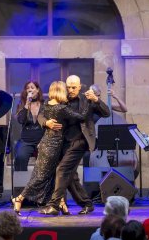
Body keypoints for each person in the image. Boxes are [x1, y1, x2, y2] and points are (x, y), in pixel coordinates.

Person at [12, 81, 89, 215]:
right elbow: (81, 116)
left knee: (53, 176)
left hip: (46, 143)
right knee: (40, 177)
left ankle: (62, 204)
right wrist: (87, 102)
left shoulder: (47, 105)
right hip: (53, 146)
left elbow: (41, 115)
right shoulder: (61, 108)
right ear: (61, 91)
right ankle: (19, 198)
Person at [39, 75, 110, 215]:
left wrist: (96, 100)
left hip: (80, 141)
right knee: (71, 177)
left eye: (73, 87)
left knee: (62, 169)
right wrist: (46, 123)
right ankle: (87, 204)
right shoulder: (61, 98)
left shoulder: (87, 99)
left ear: (79, 87)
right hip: (61, 142)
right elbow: (42, 112)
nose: (70, 90)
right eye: (68, 87)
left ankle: (54, 205)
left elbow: (106, 113)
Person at [14, 81, 44, 171]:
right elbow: (21, 120)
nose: (30, 89)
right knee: (20, 157)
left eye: (32, 87)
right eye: (27, 88)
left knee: (46, 161)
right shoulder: (22, 105)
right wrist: (27, 103)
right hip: (26, 141)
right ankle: (21, 184)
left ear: (37, 90)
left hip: (42, 140)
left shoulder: (44, 104)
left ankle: (44, 184)